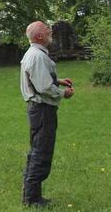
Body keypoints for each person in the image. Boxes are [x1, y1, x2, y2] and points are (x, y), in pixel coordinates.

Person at [20, 21, 75, 208]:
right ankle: (32, 199)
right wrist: (62, 93)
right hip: (42, 109)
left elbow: (39, 78)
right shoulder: (37, 56)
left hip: (39, 109)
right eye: (46, 29)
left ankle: (31, 195)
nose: (50, 30)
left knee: (37, 150)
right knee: (41, 153)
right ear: (39, 36)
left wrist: (58, 81)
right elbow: (43, 87)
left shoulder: (35, 54)